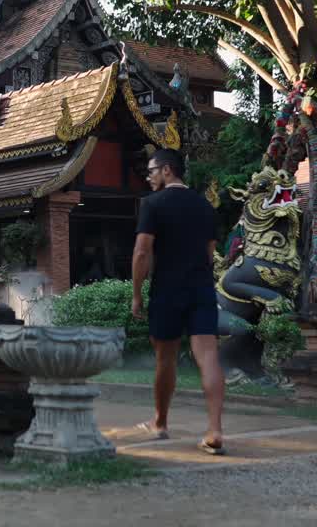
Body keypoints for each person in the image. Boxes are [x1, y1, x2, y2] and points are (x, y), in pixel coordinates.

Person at [131, 148, 226, 455]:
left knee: (165, 359)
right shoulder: (205, 206)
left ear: (167, 170)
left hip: (167, 288)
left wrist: (136, 294)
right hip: (200, 287)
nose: (149, 177)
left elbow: (142, 252)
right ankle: (215, 430)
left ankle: (160, 423)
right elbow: (211, 253)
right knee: (208, 356)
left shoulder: (152, 204)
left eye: (152, 171)